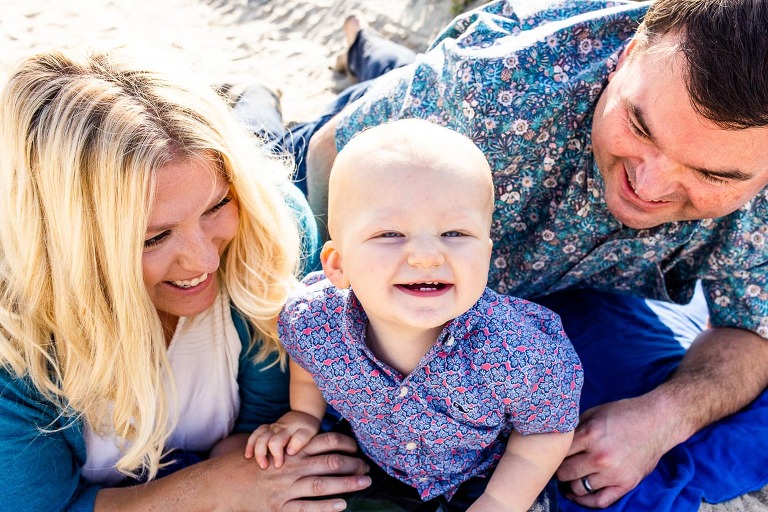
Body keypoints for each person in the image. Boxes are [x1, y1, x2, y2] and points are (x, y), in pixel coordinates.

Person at [233, 0, 768, 510]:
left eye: (712, 174)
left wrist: (663, 417)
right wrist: (357, 286)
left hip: (522, 280)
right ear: (626, 56)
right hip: (376, 155)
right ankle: (260, 93)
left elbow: (756, 328)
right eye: (640, 127)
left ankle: (365, 44)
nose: (648, 185)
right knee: (254, 151)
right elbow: (331, 149)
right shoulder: (493, 86)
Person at [0, 47, 373, 512]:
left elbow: (268, 412)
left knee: (279, 134)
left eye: (216, 207)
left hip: (270, 161)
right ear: (70, 247)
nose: (203, 260)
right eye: (153, 238)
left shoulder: (270, 227)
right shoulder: (14, 346)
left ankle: (261, 93)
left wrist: (250, 455)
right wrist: (212, 487)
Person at [246, 119, 583, 512]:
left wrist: (499, 502)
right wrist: (303, 413)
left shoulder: (519, 352)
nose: (427, 255)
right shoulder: (315, 320)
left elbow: (544, 431)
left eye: (455, 233)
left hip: (482, 473)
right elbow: (308, 358)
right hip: (375, 462)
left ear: (486, 255)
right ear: (338, 265)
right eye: (390, 234)